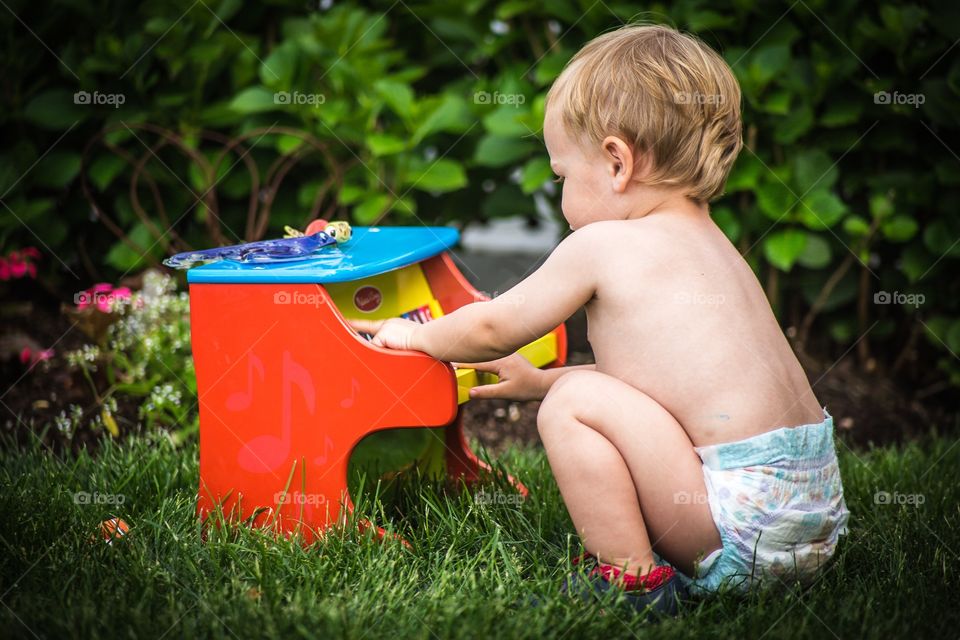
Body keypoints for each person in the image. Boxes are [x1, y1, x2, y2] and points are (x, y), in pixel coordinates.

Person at [350, 23, 849, 616]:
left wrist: (418, 334)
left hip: (739, 530)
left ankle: (632, 581)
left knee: (573, 404)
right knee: (576, 391)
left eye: (561, 176)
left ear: (616, 163)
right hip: (812, 519)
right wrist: (537, 381)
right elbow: (655, 392)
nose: (561, 198)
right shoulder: (718, 249)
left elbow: (491, 328)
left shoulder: (604, 245)